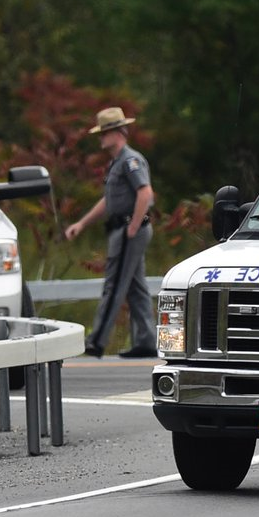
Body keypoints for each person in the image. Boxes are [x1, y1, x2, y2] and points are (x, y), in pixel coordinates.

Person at [65, 107, 158, 358]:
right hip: (124, 227)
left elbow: (145, 193)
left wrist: (133, 226)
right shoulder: (117, 163)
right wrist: (82, 223)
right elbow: (109, 201)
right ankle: (147, 341)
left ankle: (96, 341)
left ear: (117, 133)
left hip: (129, 229)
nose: (101, 139)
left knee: (114, 284)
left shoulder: (130, 160)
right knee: (135, 287)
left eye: (104, 133)